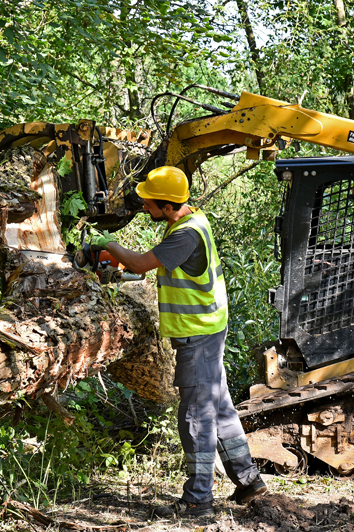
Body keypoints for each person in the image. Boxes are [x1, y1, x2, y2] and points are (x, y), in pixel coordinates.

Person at [89, 166, 267, 518]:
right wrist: (116, 272)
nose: (143, 207)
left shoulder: (184, 234)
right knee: (218, 408)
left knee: (196, 417)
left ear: (167, 205)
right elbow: (163, 268)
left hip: (197, 335)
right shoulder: (190, 220)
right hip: (207, 329)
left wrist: (105, 244)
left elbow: (141, 264)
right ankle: (249, 482)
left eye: (149, 203)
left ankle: (199, 499)